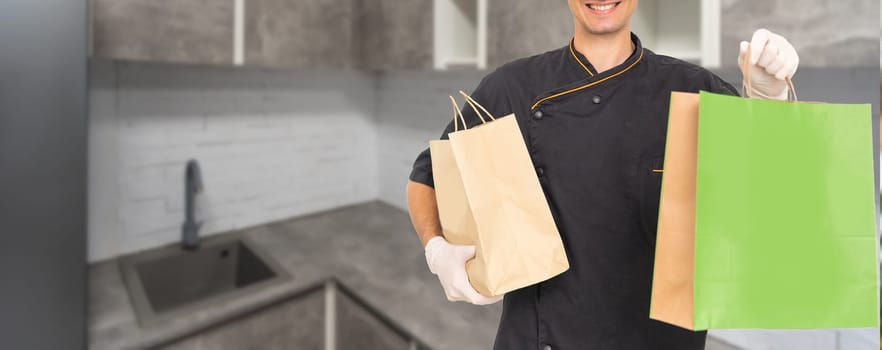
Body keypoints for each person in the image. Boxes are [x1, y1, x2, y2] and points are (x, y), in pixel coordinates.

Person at [406, 0, 799, 349]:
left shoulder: (695, 90)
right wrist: (436, 251)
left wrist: (771, 102)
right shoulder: (514, 87)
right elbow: (428, 177)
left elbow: (767, 194)